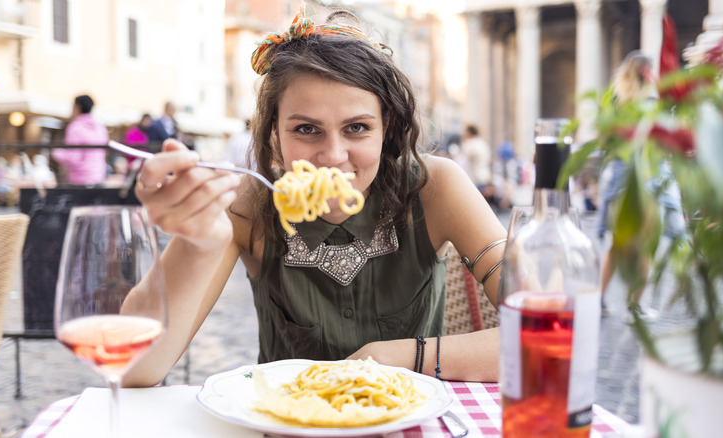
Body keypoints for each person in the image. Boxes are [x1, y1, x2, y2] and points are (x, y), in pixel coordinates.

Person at [123, 6, 506, 388]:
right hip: (287, 423)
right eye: (307, 129)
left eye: (357, 128)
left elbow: (551, 334)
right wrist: (197, 243)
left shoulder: (437, 187)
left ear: (386, 127)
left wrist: (401, 356)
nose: (334, 155)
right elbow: (134, 366)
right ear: (274, 131)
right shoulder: (248, 203)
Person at [598, 51, 685, 321]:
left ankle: (599, 300)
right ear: (646, 72)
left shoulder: (612, 98)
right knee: (646, 245)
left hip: (618, 177)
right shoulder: (650, 99)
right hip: (645, 177)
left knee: (615, 245)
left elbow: (604, 138)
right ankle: (634, 307)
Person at [52, 95, 109, 186]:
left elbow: (73, 157)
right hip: (99, 178)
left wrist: (57, 153)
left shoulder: (75, 127)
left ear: (77, 107)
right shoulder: (100, 127)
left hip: (80, 180)